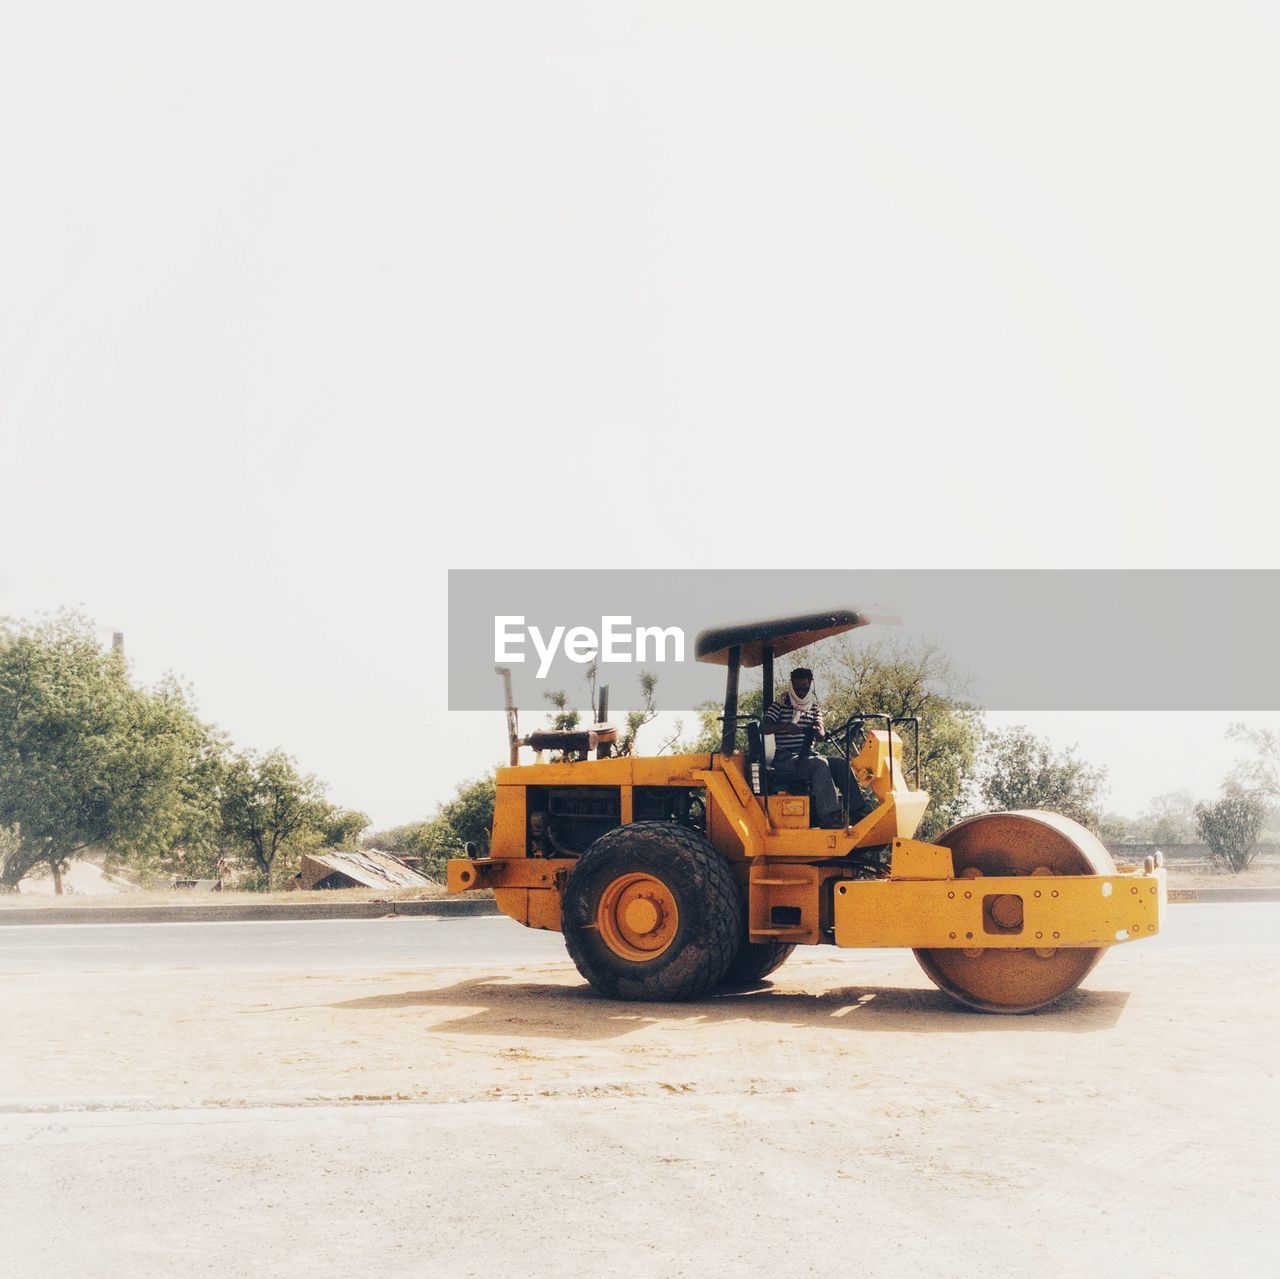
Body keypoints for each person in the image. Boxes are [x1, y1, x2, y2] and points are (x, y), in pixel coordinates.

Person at [761, 667, 870, 829]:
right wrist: (784, 726)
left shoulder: (813, 707)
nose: (801, 693)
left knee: (840, 764)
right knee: (819, 764)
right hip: (785, 759)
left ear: (810, 685)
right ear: (791, 686)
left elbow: (821, 733)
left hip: (807, 756)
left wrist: (819, 731)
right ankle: (829, 817)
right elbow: (763, 728)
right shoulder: (780, 705)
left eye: (805, 689)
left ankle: (857, 812)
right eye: (798, 689)